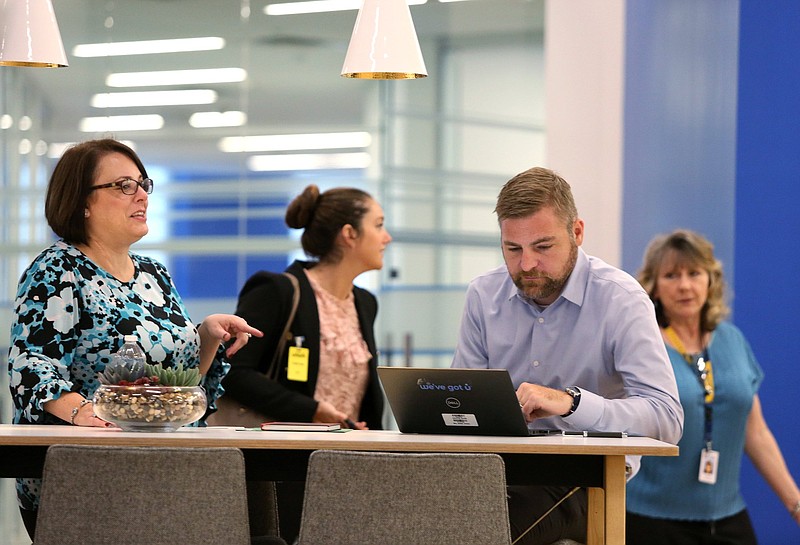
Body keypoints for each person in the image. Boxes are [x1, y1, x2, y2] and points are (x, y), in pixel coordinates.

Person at [6, 138, 262, 541]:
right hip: (83, 475)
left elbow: (176, 382)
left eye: (143, 183)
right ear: (82, 202)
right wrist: (83, 412)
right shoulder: (59, 268)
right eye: (124, 185)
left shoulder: (154, 273)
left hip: (160, 468)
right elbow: (31, 364)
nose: (142, 194)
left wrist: (206, 336)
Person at [451, 166, 684, 545]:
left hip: (587, 474)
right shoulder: (483, 295)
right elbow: (461, 402)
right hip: (493, 469)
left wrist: (572, 404)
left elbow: (667, 417)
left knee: (483, 532)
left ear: (577, 232)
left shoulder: (621, 299)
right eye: (513, 249)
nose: (527, 265)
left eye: (543, 247)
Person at [219, 183, 392, 541]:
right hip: (287, 466)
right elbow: (234, 372)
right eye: (378, 225)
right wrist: (313, 410)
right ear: (349, 234)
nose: (386, 237)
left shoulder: (365, 303)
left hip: (350, 466)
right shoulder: (278, 290)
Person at [626, 229, 800, 544]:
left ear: (711, 280)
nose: (684, 286)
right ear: (653, 286)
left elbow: (755, 431)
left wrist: (795, 503)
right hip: (651, 521)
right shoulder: (644, 346)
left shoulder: (732, 340)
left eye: (694, 273)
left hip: (727, 517)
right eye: (671, 275)